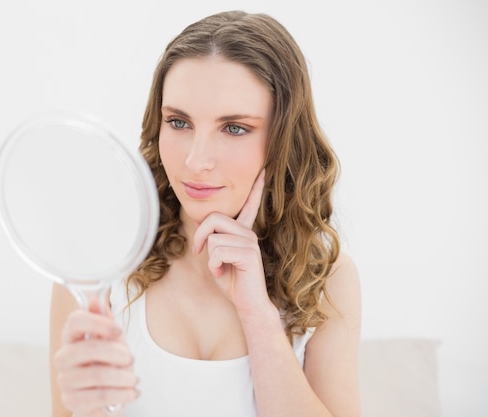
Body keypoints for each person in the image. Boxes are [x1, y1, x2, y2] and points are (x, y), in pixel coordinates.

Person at [50, 10, 361, 417]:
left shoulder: (326, 277)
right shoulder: (99, 268)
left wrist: (259, 317)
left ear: (283, 137)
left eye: (233, 128)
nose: (196, 161)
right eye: (178, 122)